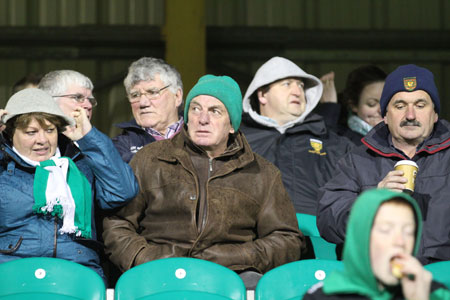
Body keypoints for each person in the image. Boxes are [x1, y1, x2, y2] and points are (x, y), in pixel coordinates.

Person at [102, 74, 303, 289]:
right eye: (195, 109)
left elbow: (286, 239)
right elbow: (118, 224)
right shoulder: (150, 159)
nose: (202, 119)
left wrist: (238, 256)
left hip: (234, 274)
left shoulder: (262, 173)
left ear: (232, 125)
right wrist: (144, 258)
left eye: (215, 111)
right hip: (158, 271)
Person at [317, 64, 450, 264]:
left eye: (420, 105)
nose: (411, 115)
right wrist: (372, 202)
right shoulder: (356, 159)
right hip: (377, 279)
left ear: (435, 114)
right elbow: (328, 221)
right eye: (400, 106)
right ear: (385, 115)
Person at [0, 89, 138, 281]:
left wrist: (89, 138)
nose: (42, 140)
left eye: (50, 130)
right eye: (31, 132)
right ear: (9, 133)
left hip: (77, 272)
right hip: (13, 273)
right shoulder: (3, 168)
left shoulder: (78, 164)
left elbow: (122, 191)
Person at [240, 56, 353, 215]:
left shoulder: (335, 144)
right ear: (262, 95)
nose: (297, 91)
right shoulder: (236, 141)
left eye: (300, 85)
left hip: (314, 236)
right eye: (287, 84)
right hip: (250, 236)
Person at [304, 189, 449, 300]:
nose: (400, 241)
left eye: (409, 232)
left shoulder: (431, 291)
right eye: (386, 230)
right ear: (361, 237)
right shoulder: (325, 296)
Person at [113, 57, 184, 163]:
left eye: (152, 92)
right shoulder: (120, 146)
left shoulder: (201, 136)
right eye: (135, 95)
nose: (143, 103)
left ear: (177, 96)